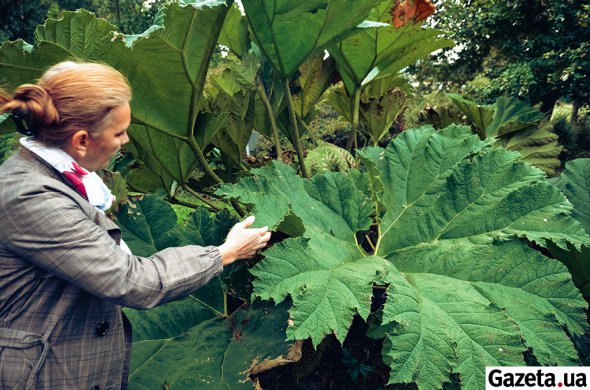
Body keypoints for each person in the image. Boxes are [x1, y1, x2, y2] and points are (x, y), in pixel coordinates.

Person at [0, 61, 271, 389]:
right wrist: (224, 253)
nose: (126, 140)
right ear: (82, 140)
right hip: (43, 377)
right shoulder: (31, 197)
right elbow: (131, 280)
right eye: (119, 132)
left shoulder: (56, 177)